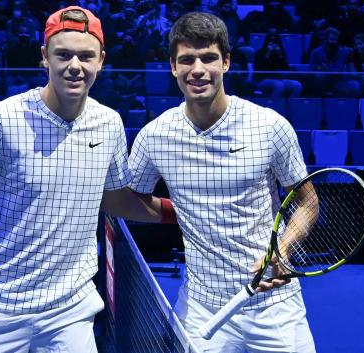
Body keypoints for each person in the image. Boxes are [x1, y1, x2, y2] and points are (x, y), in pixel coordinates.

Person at [0, 6, 176, 353]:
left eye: (86, 56)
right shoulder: (0, 120)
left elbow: (116, 199)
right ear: (45, 57)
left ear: (101, 60)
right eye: (64, 55)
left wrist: (182, 211)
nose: (75, 65)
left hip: (70, 314)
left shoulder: (110, 124)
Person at [128, 12, 316, 352]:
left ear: (226, 62)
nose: (197, 69)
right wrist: (180, 212)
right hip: (202, 307)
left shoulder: (270, 126)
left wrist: (283, 248)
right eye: (186, 60)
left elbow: (307, 202)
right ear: (173, 67)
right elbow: (132, 201)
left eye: (208, 58)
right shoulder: (154, 136)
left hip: (273, 304)